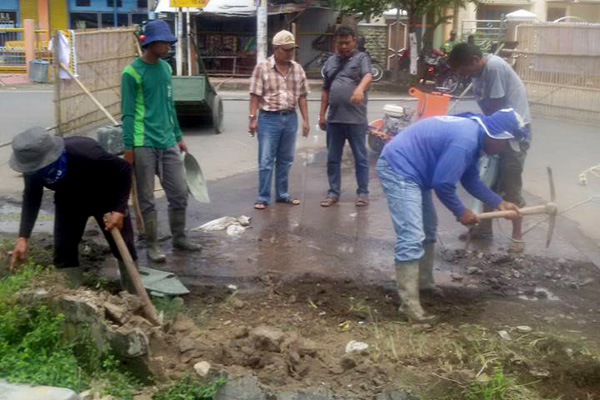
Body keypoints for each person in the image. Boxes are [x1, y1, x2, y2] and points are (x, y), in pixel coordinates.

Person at [377, 109, 527, 322]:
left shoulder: (475, 137)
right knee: (411, 236)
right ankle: (409, 308)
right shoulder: (465, 141)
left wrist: (498, 202)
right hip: (399, 168)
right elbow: (443, 184)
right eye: (503, 143)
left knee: (428, 229)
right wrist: (461, 212)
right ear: (495, 136)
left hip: (416, 172)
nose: (502, 149)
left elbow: (470, 178)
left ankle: (424, 285)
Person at [9, 128, 137, 291]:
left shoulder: (86, 152)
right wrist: (23, 237)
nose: (34, 171)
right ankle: (73, 296)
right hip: (69, 200)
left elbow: (124, 170)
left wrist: (119, 210)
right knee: (63, 250)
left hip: (105, 196)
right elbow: (31, 198)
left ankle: (133, 293)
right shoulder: (33, 168)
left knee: (122, 246)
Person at [121, 20, 200, 264]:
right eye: (164, 42)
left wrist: (178, 137)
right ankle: (154, 245)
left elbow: (169, 106)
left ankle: (179, 237)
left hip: (167, 142)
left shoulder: (165, 69)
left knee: (179, 193)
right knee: (146, 198)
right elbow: (127, 113)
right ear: (151, 43)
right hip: (143, 142)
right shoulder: (131, 73)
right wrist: (128, 148)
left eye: (168, 42)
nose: (168, 46)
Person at [448, 43, 532, 253]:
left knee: (511, 184)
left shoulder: (493, 67)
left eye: (463, 69)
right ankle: (484, 230)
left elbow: (495, 110)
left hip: (512, 134)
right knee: (488, 180)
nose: (462, 74)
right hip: (496, 132)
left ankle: (517, 236)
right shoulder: (477, 73)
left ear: (475, 60)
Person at [249, 30, 310, 210]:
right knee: (266, 160)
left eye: (292, 49)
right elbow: (254, 95)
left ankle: (282, 194)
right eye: (286, 49)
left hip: (290, 118)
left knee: (286, 159)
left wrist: (306, 121)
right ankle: (263, 197)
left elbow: (302, 97)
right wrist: (252, 119)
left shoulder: (297, 68)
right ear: (276, 49)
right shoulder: (262, 68)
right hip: (269, 118)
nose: (290, 53)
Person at [319, 26, 373, 208]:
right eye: (340, 42)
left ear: (353, 41)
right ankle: (333, 193)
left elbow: (368, 75)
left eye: (347, 42)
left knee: (361, 158)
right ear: (335, 42)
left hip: (356, 120)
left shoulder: (361, 58)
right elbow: (325, 90)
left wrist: (359, 88)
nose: (343, 46)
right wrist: (321, 115)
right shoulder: (330, 62)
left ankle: (363, 193)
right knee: (333, 158)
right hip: (334, 120)